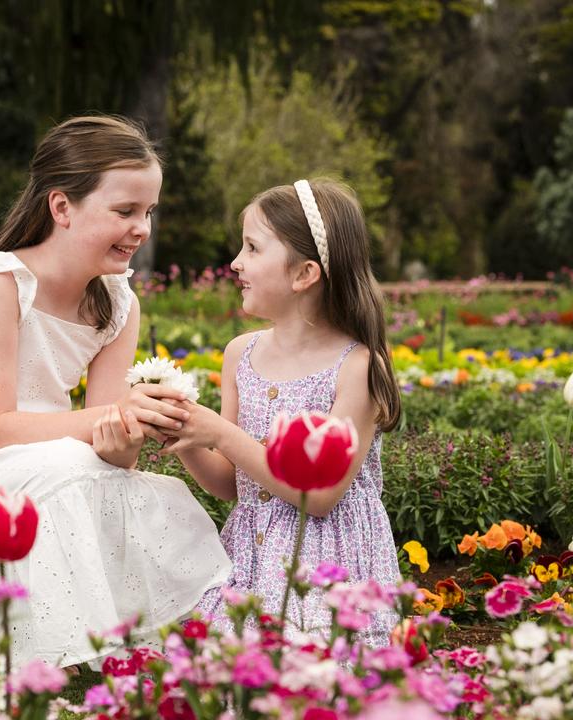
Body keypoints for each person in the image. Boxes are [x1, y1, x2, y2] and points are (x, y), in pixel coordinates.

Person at [0, 116, 231, 666]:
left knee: (152, 497)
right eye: (124, 211)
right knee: (73, 473)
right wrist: (112, 416)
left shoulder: (118, 305)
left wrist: (134, 429)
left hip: (55, 465)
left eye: (148, 211)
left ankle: (129, 647)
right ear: (62, 208)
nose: (141, 227)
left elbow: (107, 452)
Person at [164, 178, 403, 647]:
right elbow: (231, 484)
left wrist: (220, 432)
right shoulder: (240, 354)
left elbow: (322, 495)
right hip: (249, 558)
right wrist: (184, 433)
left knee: (303, 664)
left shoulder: (356, 369)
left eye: (252, 248)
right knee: (218, 666)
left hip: (327, 566)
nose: (235, 262)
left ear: (303, 275)